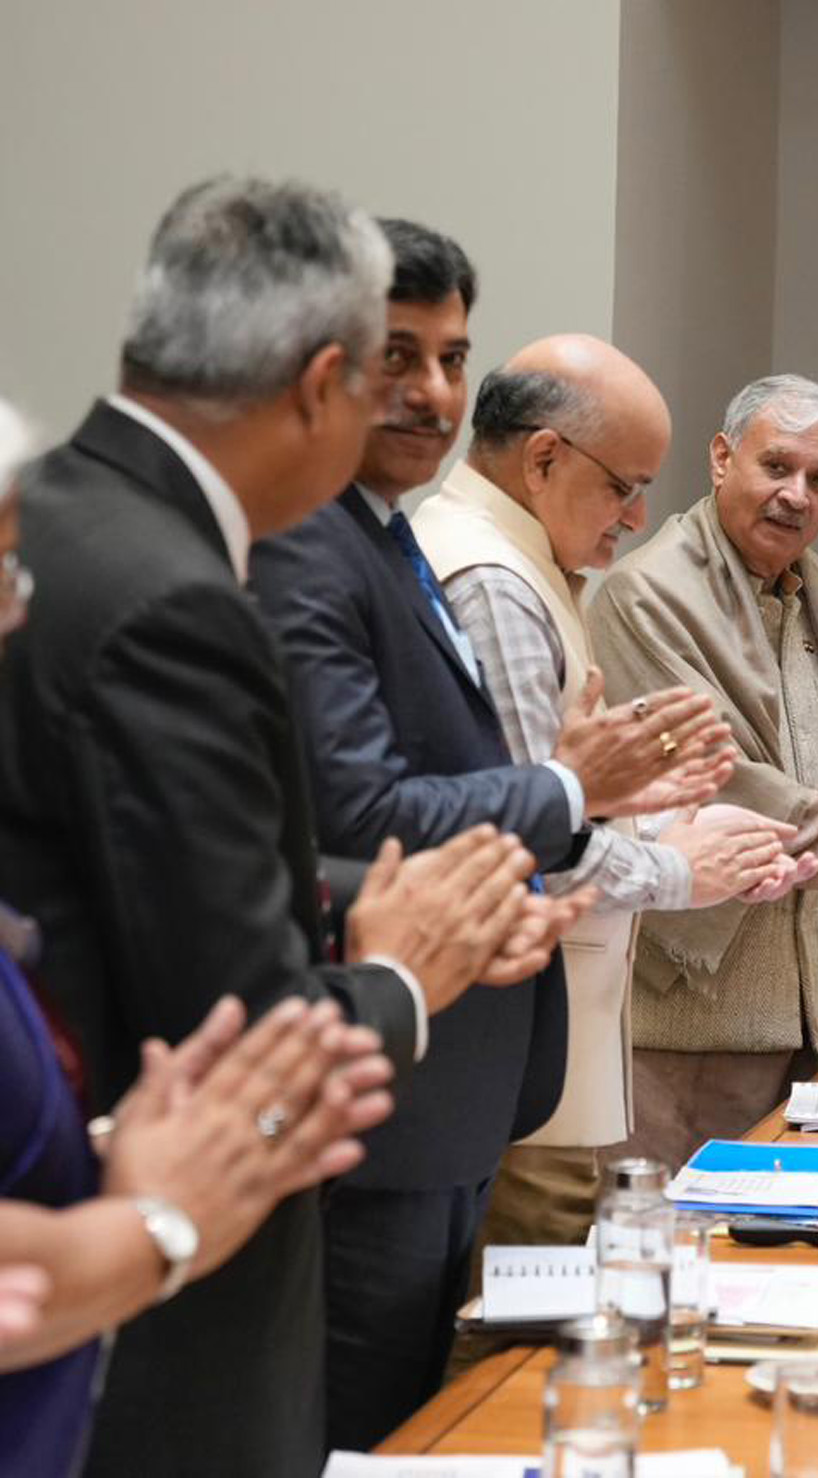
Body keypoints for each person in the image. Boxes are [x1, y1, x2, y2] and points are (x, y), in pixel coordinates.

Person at [0, 177, 562, 1477]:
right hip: (155, 1309)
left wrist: (343, 892)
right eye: (384, 374)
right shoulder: (176, 597)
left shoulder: (74, 519)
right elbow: (242, 1029)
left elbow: (123, 859)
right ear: (323, 384)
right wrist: (406, 973)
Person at [247, 222, 749, 1447]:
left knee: (423, 1413)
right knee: (391, 1421)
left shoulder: (392, 535)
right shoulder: (411, 555)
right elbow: (377, 814)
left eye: (451, 356)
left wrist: (604, 788)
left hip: (467, 1072)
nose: (429, 391)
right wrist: (596, 804)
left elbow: (490, 787)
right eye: (396, 356)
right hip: (405, 1072)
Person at [411, 339, 808, 1244]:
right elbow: (519, 840)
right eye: (625, 486)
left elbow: (551, 793)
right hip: (511, 1045)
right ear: (544, 458)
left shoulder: (522, 564)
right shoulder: (493, 584)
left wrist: (660, 803)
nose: (636, 517)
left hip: (545, 1043)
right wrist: (677, 868)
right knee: (518, 1337)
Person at [588, 374, 818, 1164]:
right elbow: (709, 772)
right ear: (722, 458)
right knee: (678, 1248)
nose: (797, 496)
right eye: (777, 467)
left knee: (767, 1255)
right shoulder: (645, 593)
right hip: (679, 1014)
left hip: (796, 1002)